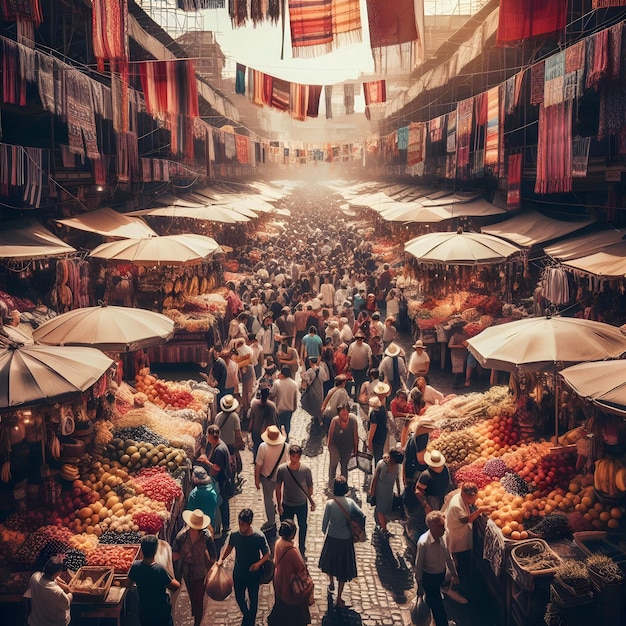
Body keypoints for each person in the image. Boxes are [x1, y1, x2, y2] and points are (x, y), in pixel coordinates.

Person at [218, 509, 270, 626]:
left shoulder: (259, 537)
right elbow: (230, 547)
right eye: (240, 523)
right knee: (239, 598)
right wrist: (222, 559)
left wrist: (258, 564)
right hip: (238, 573)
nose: (241, 526)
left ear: (249, 523)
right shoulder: (235, 534)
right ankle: (247, 615)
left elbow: (267, 554)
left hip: (253, 576)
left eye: (243, 524)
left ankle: (250, 621)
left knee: (254, 600)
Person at [318, 476, 365, 608]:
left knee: (329, 563)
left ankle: (331, 582)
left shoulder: (330, 504)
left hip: (332, 538)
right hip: (345, 540)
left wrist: (325, 531)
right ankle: (339, 598)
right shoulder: (350, 503)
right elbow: (362, 515)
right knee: (343, 570)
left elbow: (324, 525)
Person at [445, 482, 492, 604]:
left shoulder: (461, 498)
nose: (474, 501)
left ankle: (456, 584)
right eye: (472, 499)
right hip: (457, 536)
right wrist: (480, 509)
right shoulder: (457, 506)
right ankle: (452, 589)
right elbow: (467, 519)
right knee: (457, 562)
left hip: (461, 534)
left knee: (458, 561)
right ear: (464, 494)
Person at [172, 509, 217, 626]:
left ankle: (197, 620)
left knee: (198, 599)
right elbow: (174, 555)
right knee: (193, 596)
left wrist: (210, 568)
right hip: (186, 573)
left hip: (201, 573)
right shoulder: (181, 537)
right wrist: (184, 554)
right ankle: (196, 612)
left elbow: (213, 556)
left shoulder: (206, 536)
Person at [415, 511, 459, 626]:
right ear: (431, 527)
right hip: (429, 578)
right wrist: (419, 585)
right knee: (438, 606)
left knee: (434, 601)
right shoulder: (423, 543)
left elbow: (447, 556)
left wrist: (454, 573)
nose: (443, 529)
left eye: (443, 525)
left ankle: (433, 620)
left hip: (440, 575)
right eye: (440, 526)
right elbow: (418, 565)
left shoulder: (441, 537)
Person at [128, 534, 180, 626]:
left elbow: (128, 584)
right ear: (156, 550)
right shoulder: (159, 569)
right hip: (161, 612)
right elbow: (175, 586)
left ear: (142, 551)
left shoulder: (135, 566)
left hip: (144, 612)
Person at [268, 519, 312, 625]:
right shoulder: (293, 551)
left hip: (279, 580)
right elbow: (301, 570)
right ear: (292, 534)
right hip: (289, 585)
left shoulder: (278, 543)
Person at [275, 444, 315, 559]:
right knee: (286, 527)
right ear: (289, 456)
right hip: (287, 503)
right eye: (293, 456)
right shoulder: (282, 469)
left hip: (301, 504)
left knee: (303, 526)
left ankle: (302, 548)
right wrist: (279, 504)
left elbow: (310, 486)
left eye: (297, 456)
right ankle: (285, 548)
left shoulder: (306, 470)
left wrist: (309, 498)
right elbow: (278, 488)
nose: (294, 459)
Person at [197, 425, 233, 538]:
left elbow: (217, 468)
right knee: (223, 502)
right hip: (222, 480)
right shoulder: (218, 445)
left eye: (208, 436)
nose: (207, 439)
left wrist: (206, 461)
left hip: (221, 480)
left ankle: (219, 529)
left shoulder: (219, 450)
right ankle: (225, 525)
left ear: (212, 437)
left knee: (220, 503)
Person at [255, 425, 288, 530]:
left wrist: (256, 480)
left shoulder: (263, 447)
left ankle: (271, 521)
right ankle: (283, 515)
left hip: (267, 477)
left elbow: (259, 465)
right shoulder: (286, 446)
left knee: (268, 499)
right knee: (281, 497)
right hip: (281, 477)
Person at [27, 555, 73, 626]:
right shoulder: (57, 591)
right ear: (59, 572)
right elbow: (67, 603)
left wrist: (57, 581)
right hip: (55, 623)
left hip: (36, 622)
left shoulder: (34, 577)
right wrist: (69, 591)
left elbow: (44, 576)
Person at [414, 450, 452, 535]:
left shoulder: (426, 475)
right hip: (437, 499)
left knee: (436, 519)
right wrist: (426, 504)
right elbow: (418, 491)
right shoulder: (445, 468)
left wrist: (425, 504)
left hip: (437, 499)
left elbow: (418, 492)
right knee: (436, 520)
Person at [370, 447, 405, 537]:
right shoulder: (382, 465)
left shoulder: (397, 466)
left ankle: (381, 525)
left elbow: (397, 479)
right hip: (380, 491)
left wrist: (398, 490)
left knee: (385, 509)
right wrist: (372, 492)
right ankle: (384, 529)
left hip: (389, 492)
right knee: (380, 510)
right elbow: (375, 479)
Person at [327, 402, 359, 492]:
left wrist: (355, 448)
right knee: (333, 464)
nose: (344, 414)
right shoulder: (335, 421)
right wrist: (330, 447)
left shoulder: (353, 420)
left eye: (345, 412)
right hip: (335, 445)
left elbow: (355, 435)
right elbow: (330, 435)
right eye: (342, 412)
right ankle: (331, 484)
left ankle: (343, 485)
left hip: (347, 446)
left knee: (345, 465)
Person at [248, 386, 278, 459]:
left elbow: (251, 418)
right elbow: (274, 420)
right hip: (267, 431)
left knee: (256, 448)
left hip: (256, 430)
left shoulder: (255, 404)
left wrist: (249, 429)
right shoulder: (272, 406)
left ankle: (256, 462)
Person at [272, 366, 299, 438]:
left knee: (278, 425)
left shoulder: (277, 383)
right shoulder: (294, 384)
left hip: (279, 409)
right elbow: (295, 398)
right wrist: (294, 407)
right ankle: (286, 438)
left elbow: (272, 394)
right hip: (289, 409)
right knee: (287, 425)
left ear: (282, 374)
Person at [368, 383, 390, 464]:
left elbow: (373, 427)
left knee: (377, 459)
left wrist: (369, 441)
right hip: (382, 436)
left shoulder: (374, 413)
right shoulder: (382, 409)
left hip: (376, 438)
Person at [347, 332, 372, 401]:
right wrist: (348, 364)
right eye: (358, 338)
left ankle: (360, 396)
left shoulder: (366, 347)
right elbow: (349, 356)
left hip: (363, 368)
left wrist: (370, 365)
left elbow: (370, 357)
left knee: (361, 382)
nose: (359, 340)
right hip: (354, 368)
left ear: (363, 339)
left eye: (361, 338)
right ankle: (356, 396)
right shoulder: (352, 346)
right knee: (356, 382)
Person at [300, 356, 325, 426]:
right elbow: (325, 378)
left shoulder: (310, 371)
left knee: (313, 405)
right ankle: (319, 420)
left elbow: (306, 381)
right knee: (319, 405)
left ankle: (316, 421)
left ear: (310, 362)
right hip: (320, 389)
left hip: (313, 391)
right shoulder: (322, 369)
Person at [448, 321, 468, 389]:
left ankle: (459, 383)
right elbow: (450, 345)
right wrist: (460, 346)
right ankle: (455, 383)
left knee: (462, 368)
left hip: (463, 354)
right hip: (456, 355)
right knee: (457, 369)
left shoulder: (466, 335)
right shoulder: (454, 336)